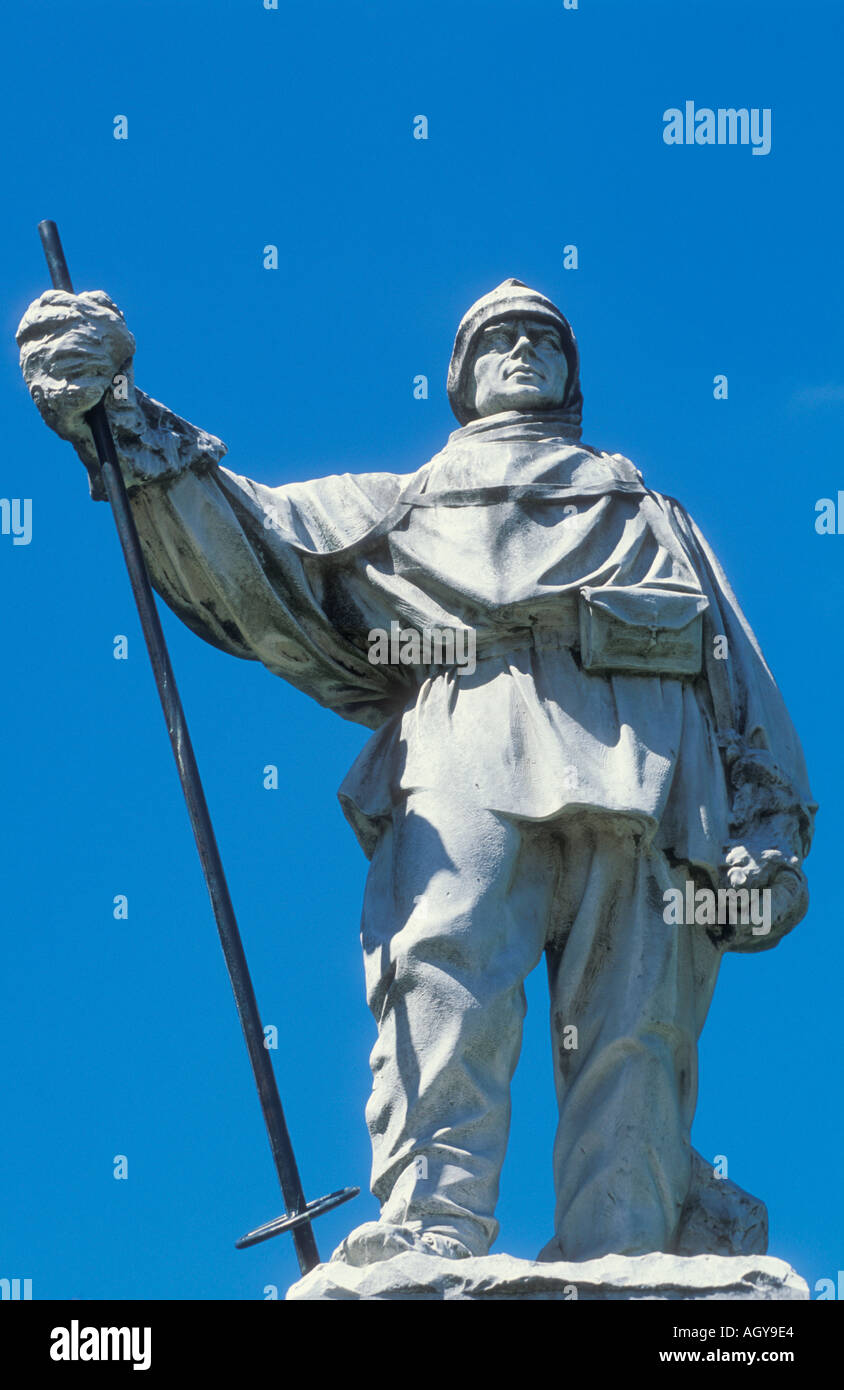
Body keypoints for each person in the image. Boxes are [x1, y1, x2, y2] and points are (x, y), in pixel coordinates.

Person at [17, 277, 815, 1267]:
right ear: (461, 377)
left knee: (636, 1027)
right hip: (466, 755)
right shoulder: (398, 510)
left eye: (543, 338)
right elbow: (247, 538)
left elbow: (737, 676)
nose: (521, 349)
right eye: (498, 338)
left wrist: (769, 828)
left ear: (570, 375)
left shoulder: (649, 513)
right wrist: (115, 416)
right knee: (437, 977)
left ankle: (628, 1250)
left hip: (650, 779)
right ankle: (431, 1226)